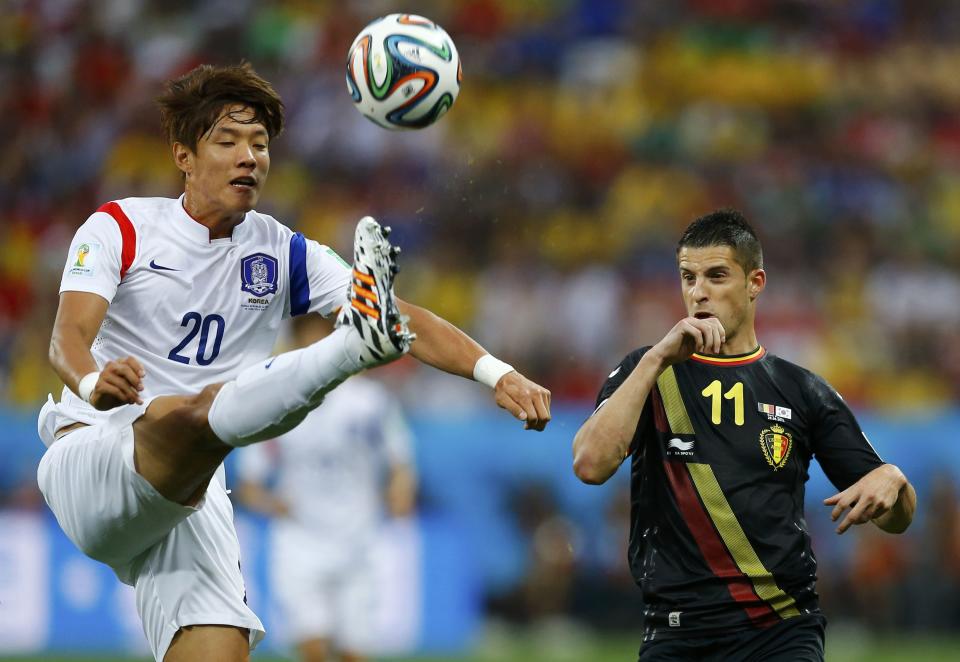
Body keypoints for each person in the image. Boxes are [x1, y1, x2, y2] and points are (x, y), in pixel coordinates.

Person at [37, 62, 551, 662]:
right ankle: (349, 350)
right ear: (183, 156)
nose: (248, 156)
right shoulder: (121, 226)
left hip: (194, 500)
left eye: (259, 144)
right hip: (95, 453)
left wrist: (497, 371)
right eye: (227, 142)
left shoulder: (282, 251)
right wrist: (95, 381)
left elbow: (402, 317)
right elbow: (65, 338)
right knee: (188, 417)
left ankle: (356, 341)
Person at [571, 209, 915, 662]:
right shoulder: (647, 372)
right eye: (687, 277)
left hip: (781, 630)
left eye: (716, 276)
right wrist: (656, 359)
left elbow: (897, 517)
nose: (698, 293)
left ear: (756, 283)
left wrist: (894, 479)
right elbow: (590, 465)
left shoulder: (801, 390)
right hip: (677, 632)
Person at [235, 314, 418, 662]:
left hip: (360, 542)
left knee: (355, 653)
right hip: (300, 544)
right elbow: (249, 485)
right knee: (313, 650)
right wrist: (274, 504)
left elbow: (400, 460)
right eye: (307, 339)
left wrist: (399, 491)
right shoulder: (278, 402)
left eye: (323, 338)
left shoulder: (369, 402)